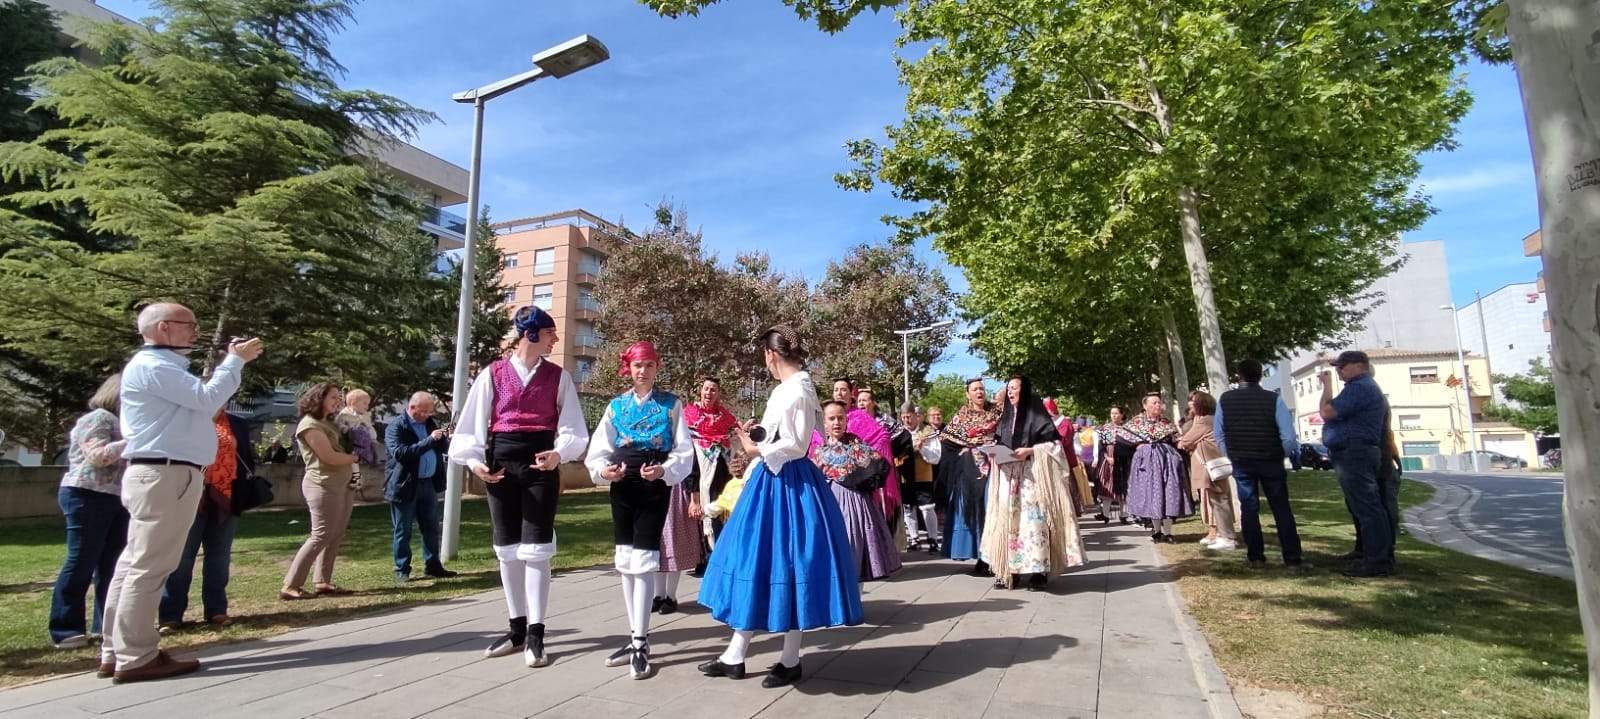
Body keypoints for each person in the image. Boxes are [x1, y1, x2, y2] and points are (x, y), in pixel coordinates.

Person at [100, 303, 262, 683]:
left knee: (134, 564)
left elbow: (198, 406)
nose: (195, 332)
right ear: (162, 328)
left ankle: (116, 650)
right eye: (188, 325)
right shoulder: (155, 366)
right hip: (167, 473)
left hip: (160, 472)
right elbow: (207, 400)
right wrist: (234, 362)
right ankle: (136, 656)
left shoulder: (159, 367)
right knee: (149, 567)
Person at [697, 326, 863, 689]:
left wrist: (755, 448)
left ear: (770, 354)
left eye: (765, 355)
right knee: (759, 562)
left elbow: (798, 444)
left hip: (789, 485)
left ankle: (787, 659)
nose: (765, 362)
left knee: (784, 564)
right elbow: (783, 435)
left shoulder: (798, 389)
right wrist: (758, 434)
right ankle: (737, 654)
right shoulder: (790, 388)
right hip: (774, 482)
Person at [448, 306, 588, 666]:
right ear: (531, 334)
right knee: (507, 548)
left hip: (541, 464)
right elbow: (471, 423)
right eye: (550, 333)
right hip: (501, 467)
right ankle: (516, 628)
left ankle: (536, 633)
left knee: (537, 548)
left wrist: (559, 453)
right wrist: (475, 462)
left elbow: (572, 427)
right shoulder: (492, 374)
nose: (555, 339)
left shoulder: (558, 377)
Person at [584, 340, 694, 680]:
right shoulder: (616, 406)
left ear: (657, 367)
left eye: (648, 365)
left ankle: (641, 641)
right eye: (637, 365)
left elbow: (683, 450)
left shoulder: (671, 404)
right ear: (628, 369)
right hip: (623, 484)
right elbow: (600, 448)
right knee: (626, 560)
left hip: (653, 485)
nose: (642, 371)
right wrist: (604, 471)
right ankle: (634, 636)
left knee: (644, 560)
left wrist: (663, 471)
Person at [979, 376, 1086, 591]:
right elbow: (1000, 442)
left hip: (1032, 478)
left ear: (1025, 390)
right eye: (1008, 388)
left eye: (1014, 388)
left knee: (1034, 523)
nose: (1010, 392)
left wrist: (1030, 451)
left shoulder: (1037, 415)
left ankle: (1038, 571)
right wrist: (993, 452)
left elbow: (1055, 447)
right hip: (1008, 478)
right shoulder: (1006, 417)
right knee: (1007, 523)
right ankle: (1009, 570)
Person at [48, 374, 129, 650]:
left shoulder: (124, 423)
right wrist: (135, 439)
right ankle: (66, 629)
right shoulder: (98, 419)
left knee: (112, 565)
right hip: (86, 495)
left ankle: (105, 625)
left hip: (117, 497)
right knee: (82, 560)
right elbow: (98, 456)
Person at [158, 407, 253, 631]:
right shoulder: (186, 418)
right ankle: (171, 614)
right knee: (183, 556)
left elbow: (247, 458)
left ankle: (216, 609)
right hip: (190, 494)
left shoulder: (236, 423)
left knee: (219, 555)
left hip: (225, 497)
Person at [1216, 359, 1304, 567]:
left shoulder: (1226, 400)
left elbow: (1219, 434)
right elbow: (1289, 437)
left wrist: (1231, 454)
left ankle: (1255, 556)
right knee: (1281, 508)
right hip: (1271, 460)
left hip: (1242, 460)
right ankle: (1292, 556)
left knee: (1249, 508)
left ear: (1239, 376)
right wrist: (1280, 454)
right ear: (1260, 376)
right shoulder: (1273, 399)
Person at [280, 383, 360, 600]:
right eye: (333, 397)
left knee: (336, 534)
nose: (338, 401)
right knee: (321, 535)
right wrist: (354, 457)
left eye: (339, 397)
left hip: (342, 484)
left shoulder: (330, 422)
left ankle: (322, 581)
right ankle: (291, 585)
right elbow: (328, 457)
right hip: (323, 485)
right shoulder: (310, 425)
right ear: (318, 398)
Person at [1318, 350, 1391, 577]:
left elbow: (1327, 411)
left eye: (1343, 366)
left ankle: (1377, 561)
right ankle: (1365, 552)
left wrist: (1326, 387)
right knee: (1360, 505)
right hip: (1354, 451)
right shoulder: (1360, 387)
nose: (1339, 370)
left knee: (1367, 507)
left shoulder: (1360, 387)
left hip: (1355, 452)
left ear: (1359, 365)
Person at [814, 400, 903, 581]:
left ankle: (855, 593)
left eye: (840, 418)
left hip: (858, 504)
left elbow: (879, 466)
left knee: (856, 547)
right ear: (824, 422)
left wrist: (863, 482)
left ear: (846, 420)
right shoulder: (819, 452)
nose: (837, 422)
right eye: (832, 418)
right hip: (831, 504)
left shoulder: (857, 445)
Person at [384, 391, 457, 584]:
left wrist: (448, 439)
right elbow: (401, 453)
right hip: (405, 485)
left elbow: (442, 448)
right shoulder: (396, 426)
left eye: (429, 412)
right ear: (412, 407)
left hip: (428, 483)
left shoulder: (430, 424)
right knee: (403, 530)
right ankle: (402, 569)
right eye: (424, 411)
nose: (427, 415)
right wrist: (430, 440)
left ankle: (433, 566)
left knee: (431, 527)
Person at [936, 378, 999, 575]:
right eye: (975, 389)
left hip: (994, 468)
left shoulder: (996, 412)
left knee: (991, 512)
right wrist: (963, 449)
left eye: (981, 388)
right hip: (969, 471)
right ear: (968, 394)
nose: (979, 392)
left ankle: (992, 556)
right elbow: (946, 440)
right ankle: (980, 556)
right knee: (973, 512)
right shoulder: (961, 415)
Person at [685, 376, 737, 575]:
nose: (709, 393)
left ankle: (721, 558)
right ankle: (704, 559)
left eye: (713, 389)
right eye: (706, 389)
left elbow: (736, 429)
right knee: (701, 517)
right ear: (701, 390)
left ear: (718, 393)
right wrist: (694, 496)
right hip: (697, 474)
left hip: (721, 474)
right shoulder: (690, 413)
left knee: (720, 514)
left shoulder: (723, 416)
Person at [1124, 393, 1193, 543]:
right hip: (1146, 465)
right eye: (1154, 403)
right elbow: (1123, 440)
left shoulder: (1166, 423)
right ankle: (1156, 531)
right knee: (1151, 494)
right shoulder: (1135, 423)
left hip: (1166, 462)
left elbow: (1175, 439)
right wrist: (1138, 446)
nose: (1157, 405)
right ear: (1145, 406)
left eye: (1159, 403)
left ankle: (1168, 532)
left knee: (1168, 493)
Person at [1177, 391, 1237, 551]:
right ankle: (1223, 535)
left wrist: (1184, 441)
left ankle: (1227, 538)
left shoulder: (1204, 421)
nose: (1191, 406)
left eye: (1194, 404)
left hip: (1210, 466)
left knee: (1219, 502)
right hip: (1216, 464)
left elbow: (1185, 441)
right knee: (1219, 501)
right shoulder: (1214, 419)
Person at [896, 403, 942, 553]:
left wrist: (922, 447)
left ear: (916, 416)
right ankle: (914, 538)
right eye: (903, 417)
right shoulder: (899, 433)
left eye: (909, 417)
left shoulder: (927, 431)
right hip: (905, 475)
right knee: (908, 507)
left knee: (927, 508)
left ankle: (933, 539)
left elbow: (936, 457)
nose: (906, 420)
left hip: (923, 475)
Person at [1095, 407, 1135, 525]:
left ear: (1122, 415)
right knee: (1108, 486)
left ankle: (1124, 515)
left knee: (1124, 487)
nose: (1114, 415)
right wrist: (1107, 457)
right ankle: (1105, 514)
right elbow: (1102, 445)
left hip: (1123, 460)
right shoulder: (1106, 428)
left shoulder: (1126, 429)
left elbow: (1131, 445)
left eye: (1116, 413)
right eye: (1112, 413)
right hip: (1109, 461)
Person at [335, 388, 379, 491]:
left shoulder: (365, 415)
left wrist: (373, 438)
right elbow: (338, 424)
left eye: (368, 404)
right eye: (364, 403)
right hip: (350, 442)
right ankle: (356, 477)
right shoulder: (344, 414)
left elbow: (370, 427)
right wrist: (345, 429)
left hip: (363, 443)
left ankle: (362, 471)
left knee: (363, 457)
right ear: (353, 403)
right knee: (353, 459)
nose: (367, 407)